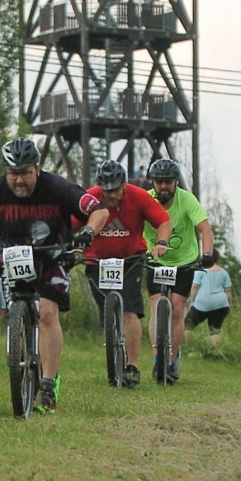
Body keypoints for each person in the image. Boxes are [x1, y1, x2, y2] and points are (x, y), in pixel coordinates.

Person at [0, 138, 109, 412]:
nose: (19, 180)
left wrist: (87, 231)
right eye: (12, 174)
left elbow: (99, 210)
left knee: (47, 312)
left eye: (25, 173)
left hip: (52, 256)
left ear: (37, 168)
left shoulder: (57, 187)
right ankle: (20, 357)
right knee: (17, 306)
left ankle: (48, 383)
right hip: (12, 256)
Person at [81, 159, 171, 387]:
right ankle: (112, 340)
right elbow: (70, 223)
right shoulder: (90, 198)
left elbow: (163, 222)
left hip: (130, 259)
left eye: (116, 190)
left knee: (130, 310)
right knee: (107, 309)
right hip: (97, 261)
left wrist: (161, 243)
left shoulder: (139, 196)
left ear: (124, 185)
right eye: (107, 191)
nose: (111, 195)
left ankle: (132, 365)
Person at [144, 157, 213, 382]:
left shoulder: (187, 199)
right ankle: (157, 358)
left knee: (176, 308)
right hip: (155, 260)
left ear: (175, 182)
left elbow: (205, 229)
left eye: (168, 182)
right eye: (159, 182)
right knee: (156, 307)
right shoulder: (146, 200)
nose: (164, 186)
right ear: (153, 182)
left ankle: (172, 360)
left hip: (184, 261)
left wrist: (207, 254)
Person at [187, 253, 233, 345]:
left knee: (188, 325)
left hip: (202, 303)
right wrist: (229, 304)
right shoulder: (224, 272)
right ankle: (214, 350)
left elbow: (195, 287)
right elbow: (228, 290)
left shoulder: (200, 271)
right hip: (220, 304)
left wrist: (192, 301)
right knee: (215, 330)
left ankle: (189, 345)